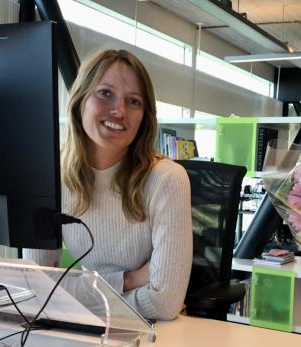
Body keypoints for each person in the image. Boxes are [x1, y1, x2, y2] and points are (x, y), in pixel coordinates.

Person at [25, 49, 192, 321]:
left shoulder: (166, 179)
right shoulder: (48, 178)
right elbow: (39, 289)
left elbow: (164, 304)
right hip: (83, 331)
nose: (119, 110)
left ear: (144, 117)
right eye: (105, 93)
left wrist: (75, 295)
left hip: (155, 334)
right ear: (80, 101)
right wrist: (129, 280)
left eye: (134, 101)